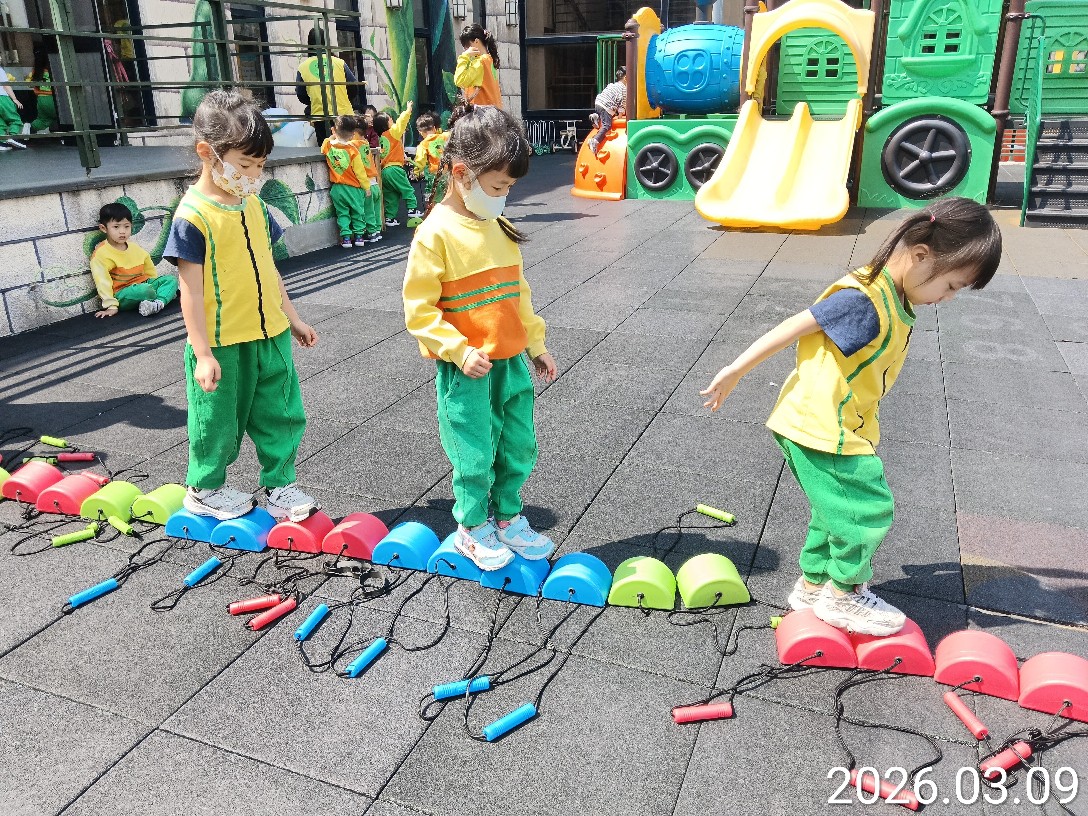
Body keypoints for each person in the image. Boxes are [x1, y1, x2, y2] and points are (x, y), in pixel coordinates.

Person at [700, 197, 1002, 637]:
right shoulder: (864, 300)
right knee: (867, 509)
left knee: (833, 510)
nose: (949, 298)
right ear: (921, 255)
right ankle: (844, 594)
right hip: (824, 428)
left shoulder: (891, 294)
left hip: (819, 424)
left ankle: (813, 585)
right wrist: (735, 371)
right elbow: (795, 325)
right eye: (952, 285)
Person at [402, 103, 558, 571]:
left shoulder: (497, 226)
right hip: (468, 369)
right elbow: (419, 310)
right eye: (498, 187)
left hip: (509, 363)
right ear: (461, 174)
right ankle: (471, 527)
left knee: (518, 444)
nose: (504, 197)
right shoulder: (435, 234)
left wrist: (536, 345)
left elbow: (519, 293)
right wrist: (458, 349)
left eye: (508, 188)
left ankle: (508, 517)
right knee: (473, 451)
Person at [163, 90, 320, 523]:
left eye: (260, 165)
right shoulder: (193, 216)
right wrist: (202, 353)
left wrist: (293, 318)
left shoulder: (254, 205)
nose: (253, 175)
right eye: (245, 164)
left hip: (270, 333)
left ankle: (280, 484)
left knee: (281, 413)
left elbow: (269, 268)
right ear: (207, 153)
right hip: (223, 340)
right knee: (218, 420)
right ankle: (204, 488)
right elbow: (189, 290)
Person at [90, 202, 178, 318]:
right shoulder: (101, 254)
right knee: (145, 290)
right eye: (116, 227)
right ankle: (162, 297)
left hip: (144, 284)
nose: (122, 231)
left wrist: (155, 283)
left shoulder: (134, 248)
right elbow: (102, 282)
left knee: (171, 280)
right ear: (103, 228)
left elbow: (149, 268)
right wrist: (111, 305)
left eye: (126, 226)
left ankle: (157, 304)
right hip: (123, 293)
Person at [295, 28, 360, 142]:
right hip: (344, 114)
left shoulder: (303, 67)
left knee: (327, 149)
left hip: (320, 117)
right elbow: (353, 87)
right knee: (349, 148)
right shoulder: (339, 62)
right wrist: (344, 99)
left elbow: (301, 95)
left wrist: (315, 99)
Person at [322, 114, 375, 249]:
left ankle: (346, 238)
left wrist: (333, 136)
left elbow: (325, 142)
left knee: (342, 213)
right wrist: (366, 187)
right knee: (358, 212)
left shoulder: (328, 146)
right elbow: (360, 173)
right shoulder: (353, 151)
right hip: (354, 189)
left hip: (337, 188)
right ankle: (359, 237)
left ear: (334, 130)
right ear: (352, 135)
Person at [374, 102, 423, 227]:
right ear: (386, 124)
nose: (393, 121)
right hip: (395, 169)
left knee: (391, 196)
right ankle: (412, 210)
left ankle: (389, 218)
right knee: (407, 189)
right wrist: (408, 110)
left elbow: (389, 154)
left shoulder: (382, 138)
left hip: (385, 171)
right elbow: (401, 122)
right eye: (390, 119)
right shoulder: (392, 133)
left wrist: (401, 158)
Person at [350, 116, 383, 243]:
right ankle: (377, 230)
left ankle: (371, 232)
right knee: (376, 210)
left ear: (353, 133)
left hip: (367, 184)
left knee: (368, 211)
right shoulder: (365, 144)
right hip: (375, 183)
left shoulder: (353, 144)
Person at [454, 24, 502, 109]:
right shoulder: (489, 60)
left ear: (476, 41)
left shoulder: (480, 62)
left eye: (467, 46)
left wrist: (464, 56)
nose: (466, 50)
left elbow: (459, 80)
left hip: (481, 113)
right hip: (493, 112)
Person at [588, 67, 627, 155]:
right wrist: (620, 117)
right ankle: (595, 140)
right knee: (607, 125)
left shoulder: (613, 85)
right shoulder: (624, 89)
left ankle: (596, 117)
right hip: (607, 106)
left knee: (604, 116)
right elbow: (622, 105)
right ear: (625, 78)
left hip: (598, 103)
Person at [413, 111, 448, 209]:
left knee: (434, 198)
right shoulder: (444, 136)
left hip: (435, 175)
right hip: (448, 173)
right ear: (434, 128)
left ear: (420, 132)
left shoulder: (423, 144)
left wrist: (416, 172)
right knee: (448, 196)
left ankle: (435, 212)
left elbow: (420, 161)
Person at [29, 52, 57, 134]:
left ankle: (29, 131)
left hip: (41, 99)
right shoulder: (54, 69)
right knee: (64, 118)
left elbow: (31, 85)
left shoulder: (36, 71)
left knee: (43, 120)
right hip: (53, 98)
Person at [0, 65, 26, 150]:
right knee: (15, 120)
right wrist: (14, 99)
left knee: (0, 123)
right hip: (3, 98)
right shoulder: (0, 70)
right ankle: (13, 137)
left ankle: (2, 143)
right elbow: (6, 85)